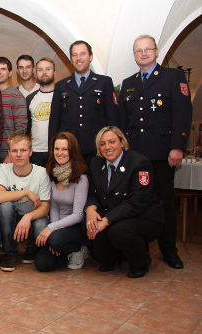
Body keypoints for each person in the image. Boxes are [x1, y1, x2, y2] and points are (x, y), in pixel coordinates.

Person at [119, 34, 192, 270]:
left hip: (162, 154)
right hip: (135, 157)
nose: (143, 53)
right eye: (138, 50)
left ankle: (169, 250)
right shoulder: (128, 83)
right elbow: (123, 122)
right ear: (134, 55)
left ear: (156, 51)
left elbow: (182, 113)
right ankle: (138, 248)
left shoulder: (173, 77)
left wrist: (178, 146)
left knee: (164, 202)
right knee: (136, 201)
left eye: (147, 49)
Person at [85, 126, 164, 278]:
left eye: (112, 141)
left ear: (122, 142)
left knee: (119, 231)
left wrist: (106, 220)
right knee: (88, 223)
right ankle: (109, 261)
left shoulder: (140, 163)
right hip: (116, 213)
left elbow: (137, 202)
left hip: (144, 216)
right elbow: (94, 193)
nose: (107, 147)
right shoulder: (96, 163)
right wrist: (90, 209)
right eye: (102, 144)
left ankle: (141, 262)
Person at [48, 41, 119, 166]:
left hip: (97, 150)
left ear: (90, 57)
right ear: (71, 59)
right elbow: (54, 121)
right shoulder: (61, 85)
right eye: (75, 55)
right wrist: (53, 150)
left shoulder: (104, 82)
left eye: (82, 54)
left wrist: (113, 146)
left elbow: (112, 118)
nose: (78, 58)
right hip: (69, 151)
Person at [0, 132, 50, 272]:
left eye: (23, 150)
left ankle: (31, 249)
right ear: (9, 153)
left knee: (42, 224)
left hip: (32, 218)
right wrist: (26, 192)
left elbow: (45, 208)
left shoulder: (42, 173)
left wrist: (28, 217)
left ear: (31, 152)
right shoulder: (4, 168)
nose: (19, 155)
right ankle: (9, 252)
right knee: (5, 207)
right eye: (14, 151)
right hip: (11, 218)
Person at [34, 132, 89, 272]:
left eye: (65, 149)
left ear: (72, 151)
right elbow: (54, 208)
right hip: (58, 228)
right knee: (42, 265)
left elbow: (78, 215)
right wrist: (54, 230)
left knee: (55, 240)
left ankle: (79, 249)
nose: (60, 153)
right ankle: (64, 252)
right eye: (57, 149)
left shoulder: (81, 178)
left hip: (76, 228)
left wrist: (51, 230)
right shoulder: (53, 174)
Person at [0, 57, 27, 166]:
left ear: (10, 72)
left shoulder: (16, 96)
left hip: (7, 155)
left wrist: (11, 154)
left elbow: (21, 129)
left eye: (3, 69)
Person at [26, 57, 56, 168]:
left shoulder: (62, 96)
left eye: (48, 69)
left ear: (54, 72)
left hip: (57, 150)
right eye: (40, 70)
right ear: (35, 74)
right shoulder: (30, 98)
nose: (44, 72)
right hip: (35, 152)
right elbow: (27, 128)